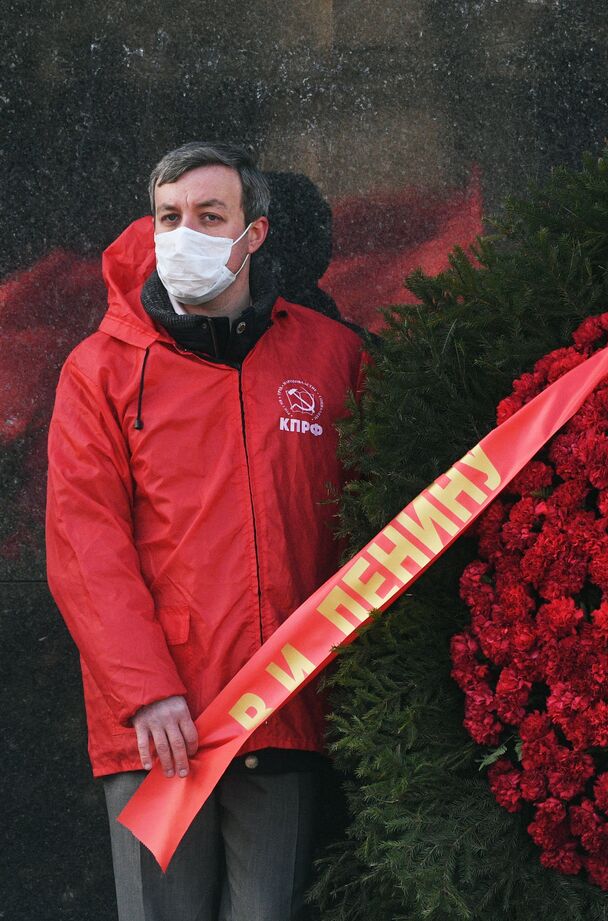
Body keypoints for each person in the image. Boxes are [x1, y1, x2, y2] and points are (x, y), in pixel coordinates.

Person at [45, 141, 367, 920]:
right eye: (169, 216)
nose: (184, 232)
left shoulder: (331, 357)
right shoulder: (100, 369)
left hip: (285, 709)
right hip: (157, 732)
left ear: (253, 234)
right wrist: (146, 693)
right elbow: (87, 546)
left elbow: (364, 520)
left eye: (209, 215)